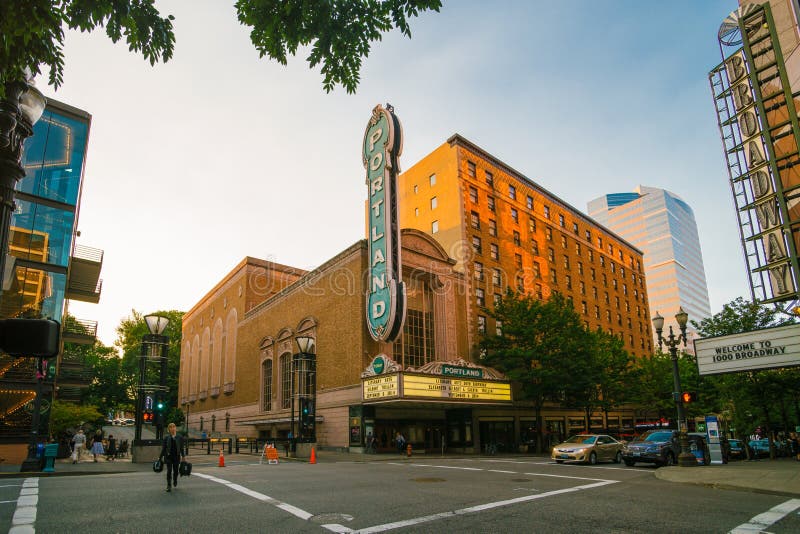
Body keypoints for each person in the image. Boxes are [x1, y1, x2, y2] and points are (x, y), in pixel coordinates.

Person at [160, 423, 186, 492]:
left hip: (176, 457)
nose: (172, 428)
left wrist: (183, 456)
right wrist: (160, 457)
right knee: (169, 471)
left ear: (175, 428)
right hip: (168, 457)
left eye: (174, 427)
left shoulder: (180, 437)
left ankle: (175, 479)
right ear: (168, 429)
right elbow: (164, 448)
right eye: (170, 427)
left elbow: (181, 448)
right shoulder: (166, 437)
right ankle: (169, 485)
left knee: (176, 471)